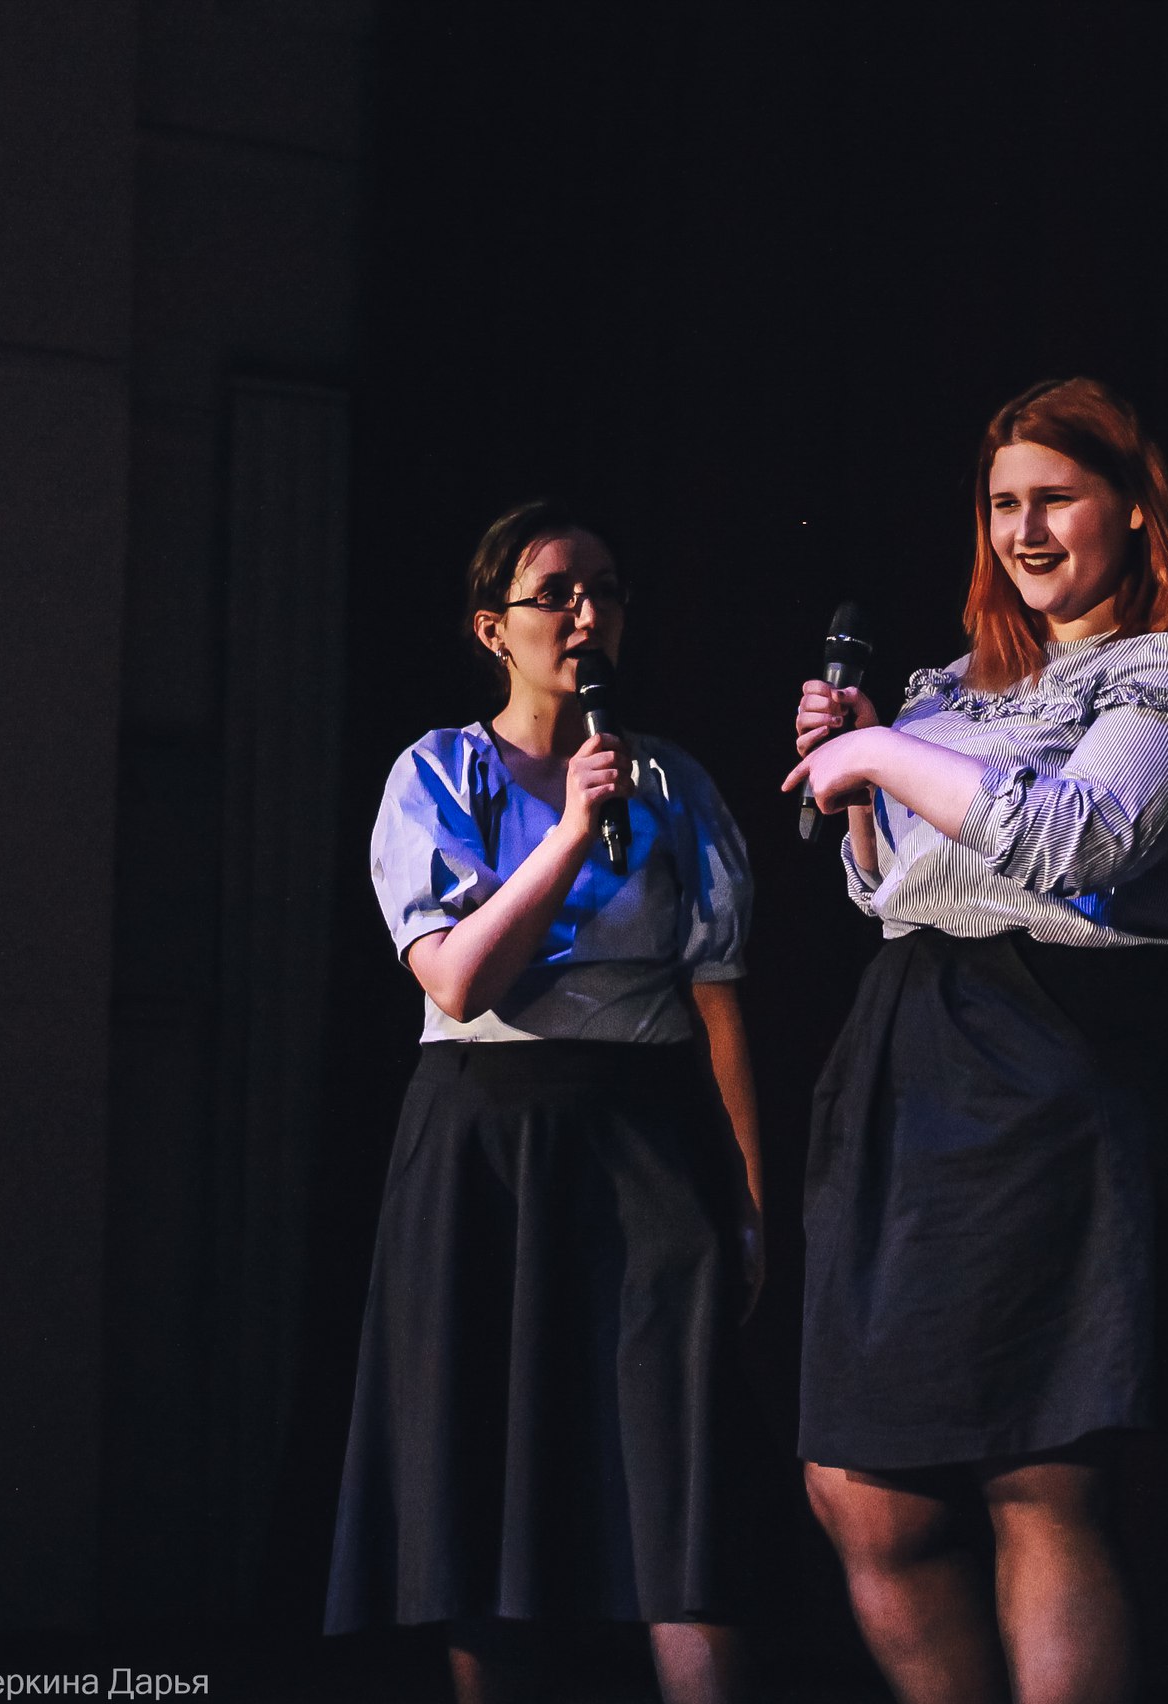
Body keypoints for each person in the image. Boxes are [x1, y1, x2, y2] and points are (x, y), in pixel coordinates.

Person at [784, 376, 1168, 1704]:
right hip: (907, 1049)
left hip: (1053, 1057)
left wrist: (883, 759)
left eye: (1056, 499)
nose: (1025, 533)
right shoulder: (952, 682)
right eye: (1003, 505)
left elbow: (1083, 840)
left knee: (1035, 1472)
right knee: (861, 1491)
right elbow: (891, 891)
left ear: (1132, 506)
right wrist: (863, 781)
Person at [326, 501, 763, 1704]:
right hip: (484, 1135)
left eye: (606, 591)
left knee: (680, 1487)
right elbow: (459, 979)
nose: (587, 614)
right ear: (492, 628)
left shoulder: (673, 781)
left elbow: (718, 1003)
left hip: (648, 1136)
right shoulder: (439, 773)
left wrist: (747, 1199)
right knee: (486, 1475)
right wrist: (571, 831)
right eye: (557, 593)